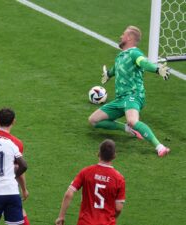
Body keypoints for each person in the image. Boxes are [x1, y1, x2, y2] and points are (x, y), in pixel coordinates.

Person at [88, 26, 171, 157]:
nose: (121, 36)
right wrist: (108, 74)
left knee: (132, 120)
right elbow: (115, 70)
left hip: (133, 95)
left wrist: (157, 69)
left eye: (123, 34)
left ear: (129, 38)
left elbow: (144, 63)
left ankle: (159, 146)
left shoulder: (134, 53)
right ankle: (127, 129)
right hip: (120, 99)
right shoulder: (120, 56)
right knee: (93, 120)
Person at [55, 139, 125, 225]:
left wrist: (61, 216)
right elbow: (118, 208)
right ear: (114, 156)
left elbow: (69, 194)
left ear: (98, 154)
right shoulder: (119, 178)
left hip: (85, 222)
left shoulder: (86, 172)